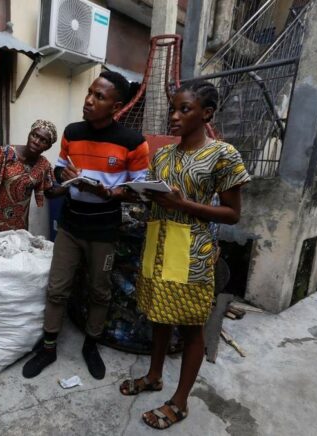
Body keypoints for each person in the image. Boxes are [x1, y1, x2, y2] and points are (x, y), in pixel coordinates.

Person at [118, 80, 250, 430]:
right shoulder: (162, 155)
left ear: (206, 114)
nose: (173, 117)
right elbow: (155, 196)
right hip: (157, 246)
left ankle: (180, 401)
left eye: (184, 109)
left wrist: (184, 204)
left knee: (191, 329)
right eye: (172, 109)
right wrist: (134, 193)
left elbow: (233, 214)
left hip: (192, 255)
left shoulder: (223, 155)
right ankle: (154, 376)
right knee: (159, 318)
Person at [22, 71, 150, 380]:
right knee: (57, 288)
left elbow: (140, 189)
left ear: (116, 106)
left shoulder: (133, 142)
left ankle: (91, 344)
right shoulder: (72, 132)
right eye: (89, 93)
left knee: (99, 291)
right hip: (70, 224)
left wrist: (107, 192)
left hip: (104, 229)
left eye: (99, 97)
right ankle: (49, 346)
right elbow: (61, 170)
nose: (89, 100)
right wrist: (62, 179)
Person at [0, 120, 65, 240]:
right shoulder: (5, 153)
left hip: (19, 226)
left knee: (17, 256)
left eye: (43, 140)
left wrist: (71, 187)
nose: (36, 141)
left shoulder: (43, 165)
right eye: (34, 135)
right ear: (29, 134)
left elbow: (49, 192)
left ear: (48, 146)